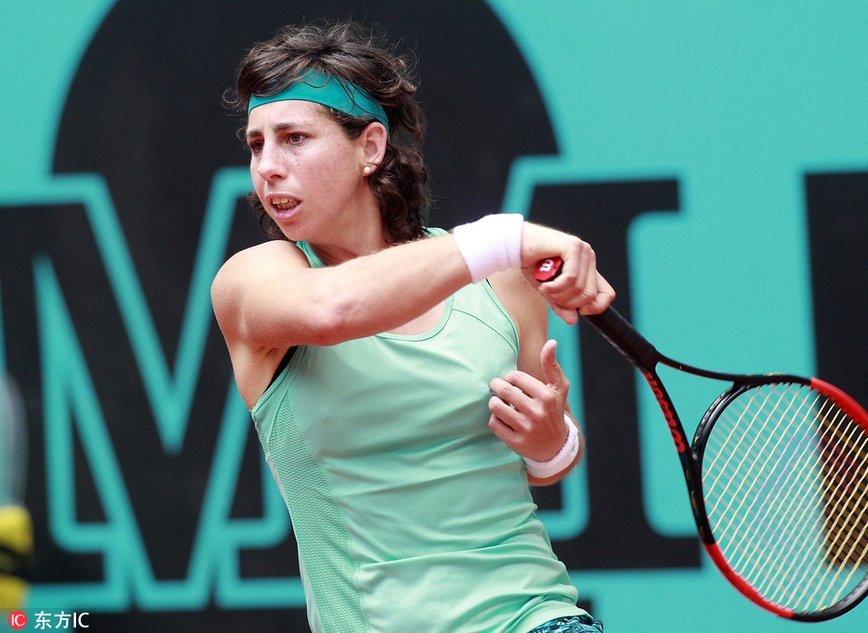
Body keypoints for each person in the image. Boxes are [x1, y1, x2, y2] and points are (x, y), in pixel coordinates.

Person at [213, 21, 614, 633]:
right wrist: (504, 238)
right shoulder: (251, 282)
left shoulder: (500, 282)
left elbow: (552, 455)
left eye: (294, 139)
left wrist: (552, 442)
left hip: (533, 617)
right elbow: (332, 310)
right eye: (256, 144)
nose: (267, 167)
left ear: (370, 147)